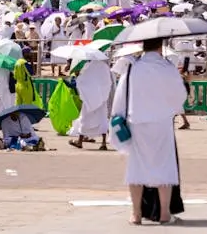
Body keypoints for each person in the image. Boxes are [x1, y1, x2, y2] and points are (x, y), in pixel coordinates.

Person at [110, 36, 189, 226]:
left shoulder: (132, 67)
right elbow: (180, 97)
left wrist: (117, 117)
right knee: (164, 164)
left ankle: (136, 214)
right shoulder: (167, 67)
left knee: (137, 165)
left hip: (136, 120)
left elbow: (121, 96)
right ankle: (164, 213)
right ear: (161, 46)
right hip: (161, 122)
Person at [69, 55, 113, 151]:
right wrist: (103, 95)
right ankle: (103, 143)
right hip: (102, 98)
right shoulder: (105, 67)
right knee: (102, 119)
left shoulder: (88, 67)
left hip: (90, 98)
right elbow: (108, 82)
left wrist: (77, 76)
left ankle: (80, 141)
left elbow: (83, 81)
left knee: (85, 119)